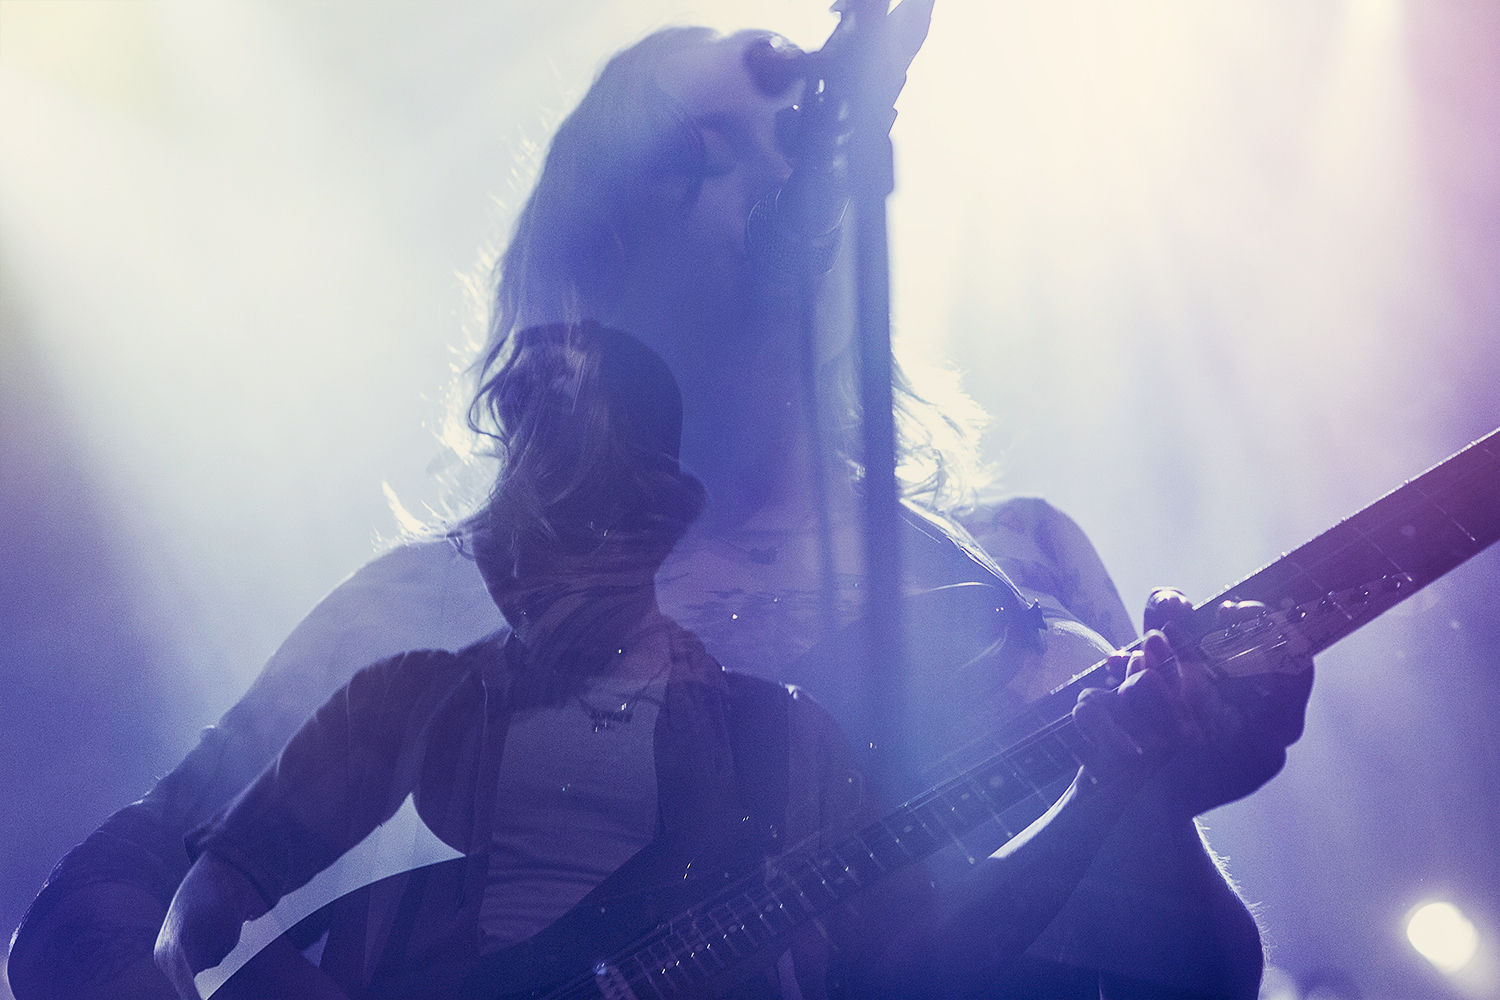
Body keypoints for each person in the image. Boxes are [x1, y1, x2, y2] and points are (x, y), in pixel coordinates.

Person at [10, 12, 1312, 1000]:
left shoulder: (1010, 582)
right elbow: (95, 910)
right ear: (605, 255)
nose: (781, 175)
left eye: (798, 141)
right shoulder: (434, 605)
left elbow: (1198, 968)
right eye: (706, 152)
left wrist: (1146, 778)